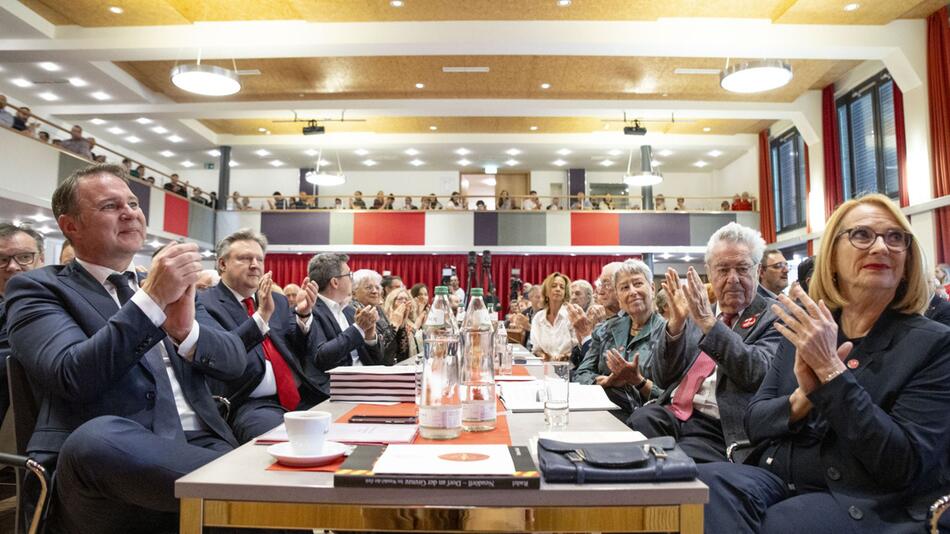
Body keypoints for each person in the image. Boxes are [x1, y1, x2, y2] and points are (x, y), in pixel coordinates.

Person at [4, 164, 246, 532]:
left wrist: (186, 331)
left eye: (133, 202)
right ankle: (258, 490)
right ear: (71, 226)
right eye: (109, 206)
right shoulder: (39, 289)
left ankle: (253, 492)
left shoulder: (167, 286)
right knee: (96, 437)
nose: (130, 211)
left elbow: (235, 362)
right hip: (107, 468)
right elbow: (72, 375)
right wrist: (150, 303)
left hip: (198, 448)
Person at [700, 193, 950, 534]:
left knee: (781, 524)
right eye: (862, 235)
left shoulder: (933, 344)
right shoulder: (808, 325)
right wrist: (801, 399)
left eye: (895, 238)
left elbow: (901, 463)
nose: (880, 247)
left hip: (860, 495)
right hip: (778, 476)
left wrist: (832, 374)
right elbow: (755, 421)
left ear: (907, 259)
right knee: (706, 484)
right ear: (832, 257)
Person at [627, 222, 781, 463]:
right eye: (722, 270)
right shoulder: (700, 311)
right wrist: (675, 327)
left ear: (757, 270)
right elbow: (661, 377)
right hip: (674, 412)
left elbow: (758, 372)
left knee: (673, 461)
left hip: (720, 426)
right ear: (709, 272)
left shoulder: (775, 315)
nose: (732, 279)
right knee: (638, 424)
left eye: (742, 268)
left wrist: (711, 326)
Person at [197, 229, 323, 443]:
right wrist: (261, 317)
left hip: (300, 395)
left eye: (259, 259)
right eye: (245, 259)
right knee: (285, 442)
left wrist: (302, 316)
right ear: (222, 264)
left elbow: (297, 348)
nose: (255, 265)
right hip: (249, 401)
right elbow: (223, 354)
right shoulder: (205, 304)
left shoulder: (278, 300)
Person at [573, 260, 665, 413]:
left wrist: (639, 381)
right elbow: (581, 374)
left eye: (638, 283)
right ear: (619, 297)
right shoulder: (605, 330)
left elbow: (673, 397)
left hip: (647, 418)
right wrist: (604, 381)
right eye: (624, 287)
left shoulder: (668, 333)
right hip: (601, 411)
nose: (632, 292)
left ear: (652, 289)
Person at [302, 253, 384, 398]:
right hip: (336, 391)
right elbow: (322, 357)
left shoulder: (349, 311)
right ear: (335, 282)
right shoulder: (310, 311)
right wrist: (358, 329)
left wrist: (370, 335)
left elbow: (376, 361)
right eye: (349, 275)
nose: (352, 280)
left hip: (366, 385)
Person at [0, 223, 45, 429]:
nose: (13, 266)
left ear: (41, 259)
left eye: (25, 257)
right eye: (3, 260)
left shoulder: (53, 306)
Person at [351, 269, 399, 365]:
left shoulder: (378, 309)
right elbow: (376, 345)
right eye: (368, 288)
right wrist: (394, 325)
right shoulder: (354, 311)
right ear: (354, 293)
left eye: (377, 287)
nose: (375, 291)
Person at [530, 272, 576, 360]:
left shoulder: (571, 315)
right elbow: (536, 349)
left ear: (565, 293)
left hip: (568, 368)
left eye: (562, 287)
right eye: (554, 286)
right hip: (544, 367)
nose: (558, 289)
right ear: (546, 292)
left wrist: (564, 357)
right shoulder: (538, 318)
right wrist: (544, 357)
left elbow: (577, 348)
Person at [381, 288, 420, 363]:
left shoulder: (410, 320)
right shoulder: (387, 320)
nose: (404, 301)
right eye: (400, 299)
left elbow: (404, 351)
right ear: (392, 302)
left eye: (406, 299)